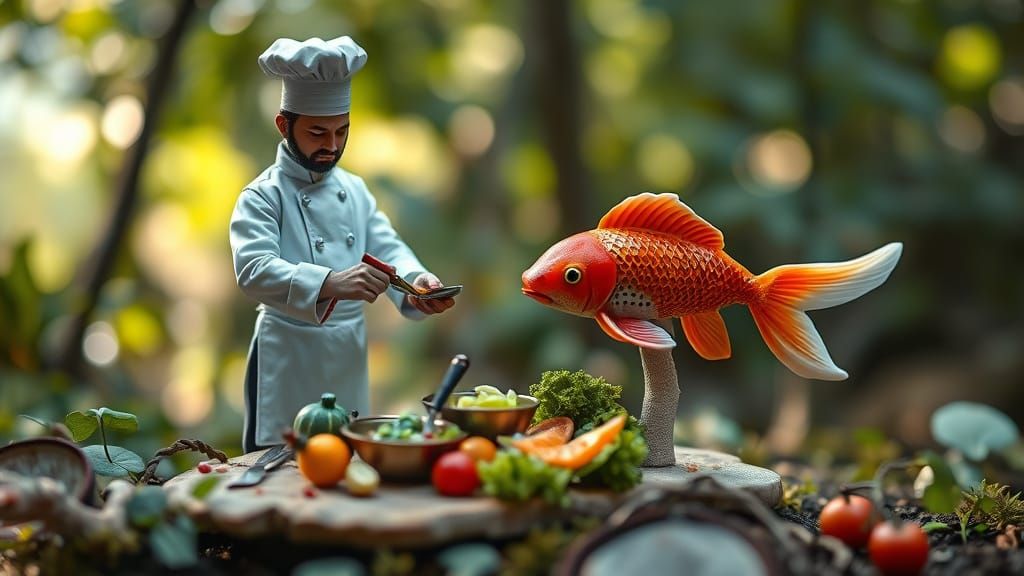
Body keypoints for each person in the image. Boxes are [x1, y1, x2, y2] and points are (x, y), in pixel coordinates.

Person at [230, 36, 455, 453]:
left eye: (341, 132)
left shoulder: (354, 190)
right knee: (280, 466)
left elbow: (387, 248)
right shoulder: (263, 195)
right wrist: (330, 282)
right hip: (288, 354)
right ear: (284, 125)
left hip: (347, 353)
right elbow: (253, 269)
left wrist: (418, 283)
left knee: (345, 457)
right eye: (317, 132)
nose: (331, 146)